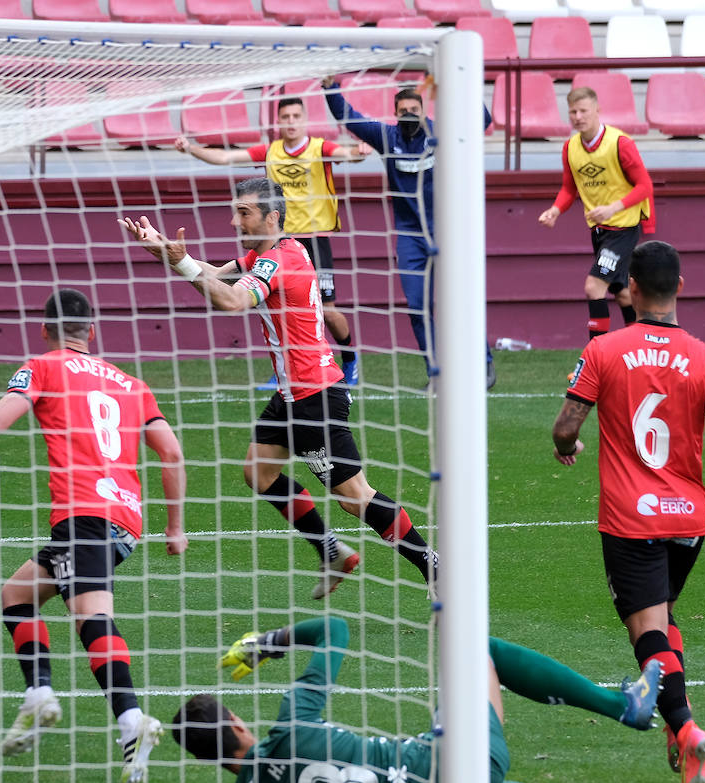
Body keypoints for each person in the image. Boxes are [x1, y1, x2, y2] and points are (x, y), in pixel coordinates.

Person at [77, 616, 705, 783]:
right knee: (475, 648)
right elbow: (337, 630)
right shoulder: (289, 724)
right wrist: (271, 641)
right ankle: (622, 707)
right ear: (233, 717)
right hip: (452, 761)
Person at [0, 289, 188, 783]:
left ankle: (132, 723)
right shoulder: (133, 384)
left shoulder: (43, 366)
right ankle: (38, 695)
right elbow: (170, 453)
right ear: (93, 332)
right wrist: (174, 527)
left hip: (85, 514)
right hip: (125, 521)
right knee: (16, 595)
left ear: (44, 330)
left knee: (92, 618)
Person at [120, 177, 435, 600]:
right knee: (258, 471)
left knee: (354, 496)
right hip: (293, 394)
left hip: (314, 397)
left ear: (271, 217)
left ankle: (433, 566)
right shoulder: (272, 251)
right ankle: (334, 553)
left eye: (244, 212)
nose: (234, 220)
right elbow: (215, 274)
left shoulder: (275, 263)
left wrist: (180, 264)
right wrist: (164, 251)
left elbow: (231, 301)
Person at [551, 240, 705, 783]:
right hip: (688, 519)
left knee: (647, 634)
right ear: (681, 286)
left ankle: (686, 729)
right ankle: (677, 734)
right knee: (664, 616)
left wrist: (569, 445)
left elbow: (566, 426)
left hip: (630, 519)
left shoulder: (606, 349)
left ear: (629, 287)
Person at [174, 95, 367, 388]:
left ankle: (350, 359)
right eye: (285, 117)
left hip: (314, 239)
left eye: (295, 117)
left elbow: (347, 153)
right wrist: (191, 149)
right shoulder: (271, 151)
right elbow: (226, 158)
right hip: (278, 242)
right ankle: (286, 369)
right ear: (278, 122)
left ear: (304, 120)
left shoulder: (319, 148)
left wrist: (360, 152)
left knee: (326, 310)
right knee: (278, 305)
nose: (290, 122)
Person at [322, 75, 496, 389]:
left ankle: (483, 365)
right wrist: (330, 88)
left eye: (414, 109)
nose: (409, 115)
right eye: (403, 110)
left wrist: (466, 84)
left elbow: (482, 119)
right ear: (395, 112)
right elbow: (349, 117)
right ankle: (436, 373)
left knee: (462, 301)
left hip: (449, 232)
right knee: (417, 307)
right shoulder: (387, 136)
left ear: (423, 108)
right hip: (410, 237)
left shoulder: (441, 132)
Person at [537, 86, 656, 341]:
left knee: (594, 287)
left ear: (597, 111)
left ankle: (596, 355)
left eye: (583, 111)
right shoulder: (570, 148)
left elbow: (645, 186)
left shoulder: (620, 143)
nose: (578, 117)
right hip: (600, 231)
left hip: (622, 228)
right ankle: (642, 343)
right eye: (572, 112)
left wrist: (614, 207)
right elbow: (569, 189)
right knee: (623, 293)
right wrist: (555, 210)